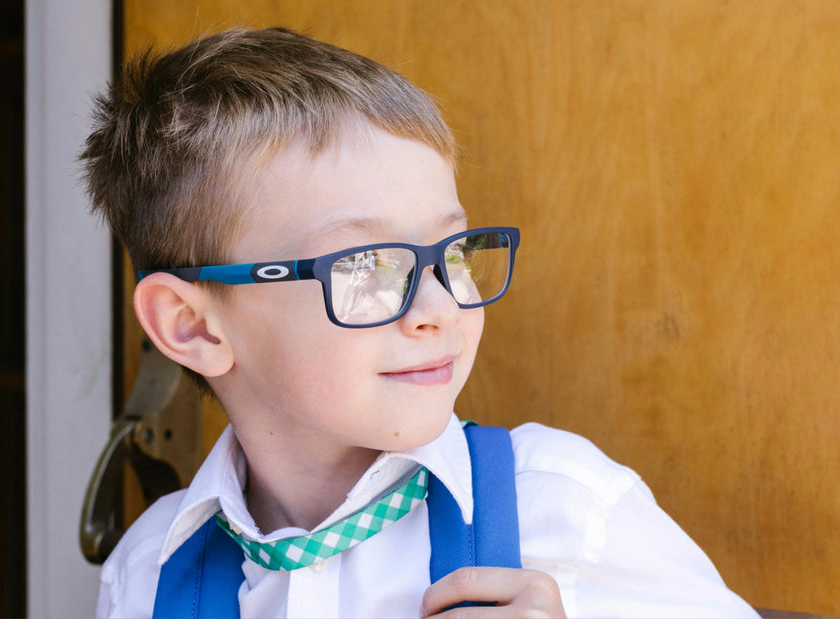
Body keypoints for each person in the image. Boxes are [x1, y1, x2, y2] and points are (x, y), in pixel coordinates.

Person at [82, 27, 757, 618]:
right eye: (367, 265)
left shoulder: (565, 509)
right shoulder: (147, 572)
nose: (439, 309)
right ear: (192, 327)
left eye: (453, 252)